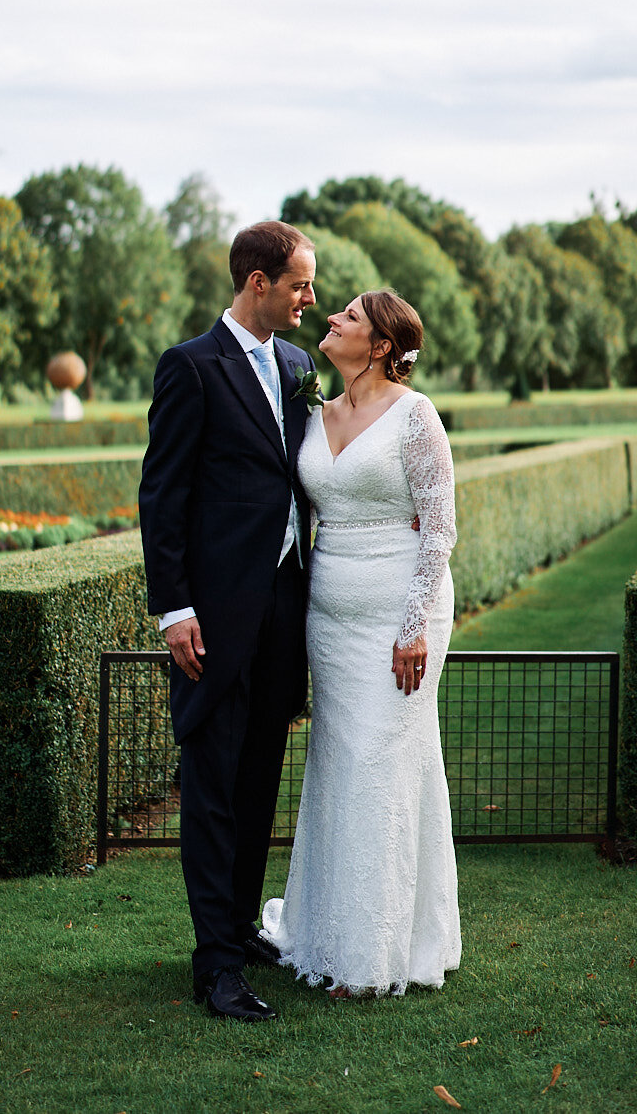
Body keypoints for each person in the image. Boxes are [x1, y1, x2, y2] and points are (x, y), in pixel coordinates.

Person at [138, 220, 317, 1022]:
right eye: (300, 284)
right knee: (210, 787)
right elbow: (162, 496)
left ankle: (239, 929)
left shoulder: (299, 364)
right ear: (258, 283)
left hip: (286, 609)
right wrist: (175, 607)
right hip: (211, 618)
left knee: (257, 782)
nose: (310, 298)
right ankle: (215, 968)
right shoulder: (191, 367)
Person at [262, 289, 461, 997]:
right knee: (341, 764)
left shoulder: (415, 416)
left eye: (347, 316)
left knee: (383, 764)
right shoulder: (314, 414)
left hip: (402, 618)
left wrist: (412, 628)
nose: (332, 320)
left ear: (379, 345)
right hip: (331, 618)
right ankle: (330, 931)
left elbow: (438, 528)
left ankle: (374, 958)